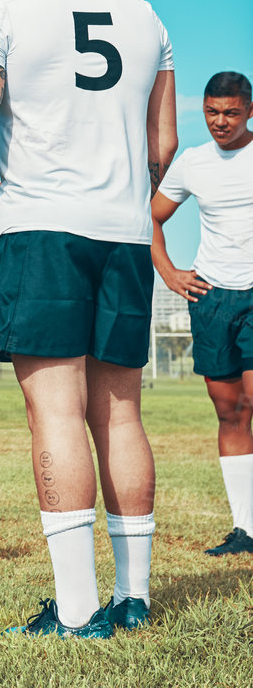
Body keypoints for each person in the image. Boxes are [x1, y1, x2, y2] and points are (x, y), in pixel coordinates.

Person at [0, 0, 177, 638]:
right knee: (120, 413)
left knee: (55, 410)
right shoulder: (146, 15)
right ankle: (134, 597)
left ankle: (78, 610)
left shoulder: (0, 9)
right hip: (122, 229)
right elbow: (164, 144)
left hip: (42, 226)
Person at [151, 71, 253, 556]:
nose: (220, 122)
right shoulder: (192, 163)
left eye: (231, 112)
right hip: (211, 298)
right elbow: (150, 217)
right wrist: (169, 272)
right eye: (212, 112)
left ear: (249, 110)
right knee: (230, 410)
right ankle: (245, 530)